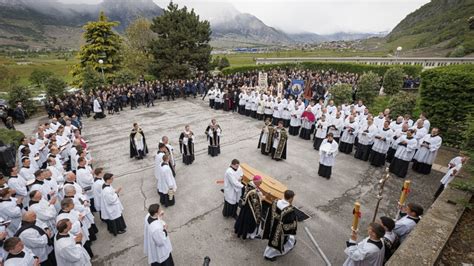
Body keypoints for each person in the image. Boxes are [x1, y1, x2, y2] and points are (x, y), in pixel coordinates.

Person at [262, 190, 298, 261]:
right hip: (280, 230)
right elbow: (290, 223)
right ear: (291, 198)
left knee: (272, 241)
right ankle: (269, 255)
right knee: (276, 244)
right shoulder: (289, 209)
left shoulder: (275, 202)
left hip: (272, 226)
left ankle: (269, 254)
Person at [234, 175, 263, 240]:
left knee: (243, 219)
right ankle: (249, 234)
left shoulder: (249, 184)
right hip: (250, 210)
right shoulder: (253, 192)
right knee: (249, 221)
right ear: (255, 182)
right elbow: (257, 203)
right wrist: (262, 197)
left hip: (245, 206)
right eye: (260, 182)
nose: (261, 184)